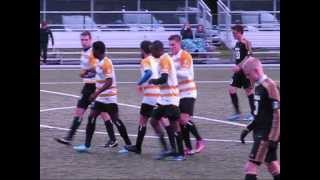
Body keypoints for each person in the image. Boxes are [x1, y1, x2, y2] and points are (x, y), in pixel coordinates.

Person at [73, 41, 132, 152]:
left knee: (116, 120)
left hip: (109, 98)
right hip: (101, 99)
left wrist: (96, 93)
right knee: (91, 117)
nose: (92, 53)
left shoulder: (106, 63)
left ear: (98, 51)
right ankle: (86, 145)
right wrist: (86, 72)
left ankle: (129, 145)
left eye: (93, 50)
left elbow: (109, 81)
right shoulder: (100, 62)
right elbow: (96, 70)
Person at [55, 31, 100, 146]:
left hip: (95, 87)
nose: (84, 42)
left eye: (86, 40)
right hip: (87, 87)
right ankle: (69, 138)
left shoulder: (92, 52)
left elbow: (96, 68)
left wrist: (85, 73)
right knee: (79, 111)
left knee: (105, 114)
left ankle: (114, 139)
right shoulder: (84, 51)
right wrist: (85, 74)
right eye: (82, 40)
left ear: (90, 40)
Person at [240, 57, 280, 180]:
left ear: (256, 71)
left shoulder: (270, 86)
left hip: (266, 136)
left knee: (250, 167)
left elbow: (278, 115)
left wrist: (273, 139)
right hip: (260, 132)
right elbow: (259, 115)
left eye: (248, 74)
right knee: (272, 164)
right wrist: (248, 128)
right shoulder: (258, 86)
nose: (247, 77)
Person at [148, 40, 185, 161]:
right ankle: (167, 148)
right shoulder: (162, 59)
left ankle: (180, 153)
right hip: (163, 99)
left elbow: (163, 79)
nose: (151, 52)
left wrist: (153, 81)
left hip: (171, 98)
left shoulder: (164, 59)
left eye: (152, 50)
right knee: (153, 121)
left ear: (158, 50)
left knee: (174, 125)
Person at [168, 35, 205, 155]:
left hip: (188, 92)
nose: (171, 47)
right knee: (179, 121)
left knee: (183, 119)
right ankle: (188, 148)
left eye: (173, 44)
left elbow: (187, 74)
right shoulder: (171, 58)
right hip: (178, 94)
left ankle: (200, 140)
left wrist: (172, 71)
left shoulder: (185, 56)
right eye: (170, 45)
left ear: (179, 44)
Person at [124, 40, 160, 154]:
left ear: (142, 50)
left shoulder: (145, 61)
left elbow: (148, 73)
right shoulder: (156, 60)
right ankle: (171, 146)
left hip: (150, 96)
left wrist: (139, 83)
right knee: (163, 121)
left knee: (143, 121)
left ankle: (138, 147)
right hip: (159, 94)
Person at [227, 24, 255, 121]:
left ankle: (254, 114)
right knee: (231, 89)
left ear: (239, 32)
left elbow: (249, 56)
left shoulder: (246, 42)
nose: (233, 35)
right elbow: (240, 57)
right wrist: (236, 65)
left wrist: (239, 66)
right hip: (238, 72)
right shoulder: (237, 43)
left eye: (234, 33)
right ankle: (237, 113)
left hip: (246, 71)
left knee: (249, 91)